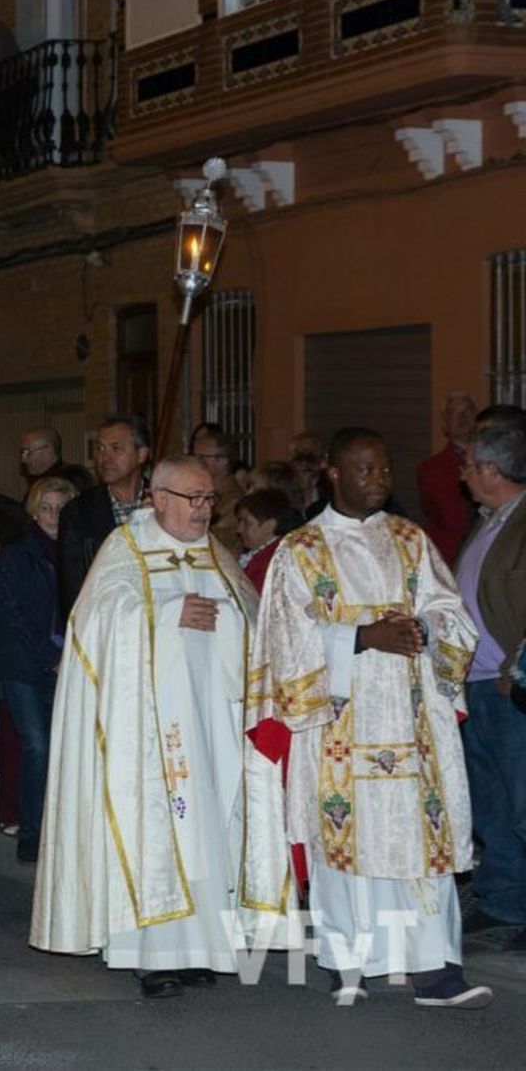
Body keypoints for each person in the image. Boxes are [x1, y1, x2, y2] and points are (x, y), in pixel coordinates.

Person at [32, 455, 291, 999]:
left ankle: (201, 949)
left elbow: (251, 617)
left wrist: (227, 623)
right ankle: (152, 955)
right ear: (159, 497)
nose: (203, 510)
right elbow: (95, 623)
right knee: (156, 828)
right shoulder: (125, 550)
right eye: (192, 499)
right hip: (146, 730)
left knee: (208, 832)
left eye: (208, 499)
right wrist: (168, 613)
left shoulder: (217, 554)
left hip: (210, 722)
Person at [250, 428, 488, 1008]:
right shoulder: (300, 551)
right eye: (365, 470)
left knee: (417, 841)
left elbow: (452, 614)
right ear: (333, 472)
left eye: (384, 470)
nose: (379, 480)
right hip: (339, 726)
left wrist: (426, 630)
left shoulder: (411, 541)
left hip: (411, 724)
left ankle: (434, 969)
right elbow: (284, 637)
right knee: (346, 842)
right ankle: (347, 960)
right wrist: (361, 636)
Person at [454, 420, 526, 947]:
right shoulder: (488, 520)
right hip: (475, 685)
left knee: (523, 802)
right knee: (491, 803)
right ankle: (503, 901)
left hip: (510, 687)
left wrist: (516, 666)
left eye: (469, 465)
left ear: (491, 470)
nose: (462, 475)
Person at [0, 476, 77, 865]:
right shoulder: (17, 554)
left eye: (61, 508)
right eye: (47, 507)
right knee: (37, 746)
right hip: (25, 666)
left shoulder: (78, 553)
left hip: (68, 663)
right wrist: (50, 655)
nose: (54, 516)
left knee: (62, 750)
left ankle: (60, 833)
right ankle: (31, 833)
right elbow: (14, 615)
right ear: (34, 510)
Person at [57, 414, 152, 623]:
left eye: (116, 449)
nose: (104, 458)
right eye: (100, 449)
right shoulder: (78, 513)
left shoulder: (164, 503)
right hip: (105, 626)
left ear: (142, 454)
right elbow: (73, 591)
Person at [417, 392, 479, 568]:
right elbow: (452, 518)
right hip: (450, 559)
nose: (462, 418)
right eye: (454, 413)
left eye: (468, 412)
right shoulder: (431, 469)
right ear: (444, 425)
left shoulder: (492, 461)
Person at [234, 487, 300, 592]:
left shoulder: (274, 562)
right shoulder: (257, 554)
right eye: (240, 522)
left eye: (247, 523)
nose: (239, 529)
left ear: (269, 525)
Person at [19, 428, 92, 492]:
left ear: (48, 450)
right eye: (22, 453)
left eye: (27, 452)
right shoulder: (37, 481)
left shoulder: (73, 476)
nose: (23, 459)